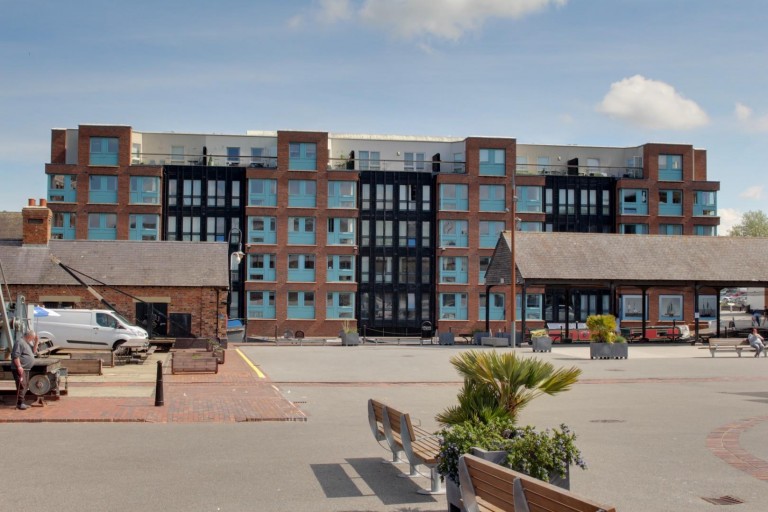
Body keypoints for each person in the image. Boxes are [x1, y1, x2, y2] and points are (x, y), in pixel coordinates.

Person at [11, 330, 38, 410]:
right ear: (28, 336)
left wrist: (36, 341)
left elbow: (34, 352)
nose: (32, 340)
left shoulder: (27, 343)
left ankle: (22, 401)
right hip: (20, 368)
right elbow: (15, 356)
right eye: (32, 338)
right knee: (22, 385)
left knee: (25, 385)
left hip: (26, 368)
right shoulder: (20, 342)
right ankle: (20, 403)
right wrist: (19, 366)